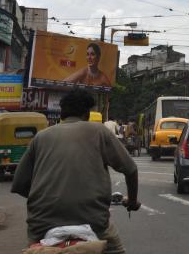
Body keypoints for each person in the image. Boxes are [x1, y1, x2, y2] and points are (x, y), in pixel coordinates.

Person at [11, 89, 140, 253]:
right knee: (116, 250)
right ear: (87, 113)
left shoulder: (41, 137)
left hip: (42, 225)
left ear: (62, 112)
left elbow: (19, 184)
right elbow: (130, 169)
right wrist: (133, 201)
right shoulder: (99, 132)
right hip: (94, 224)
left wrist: (47, 196)